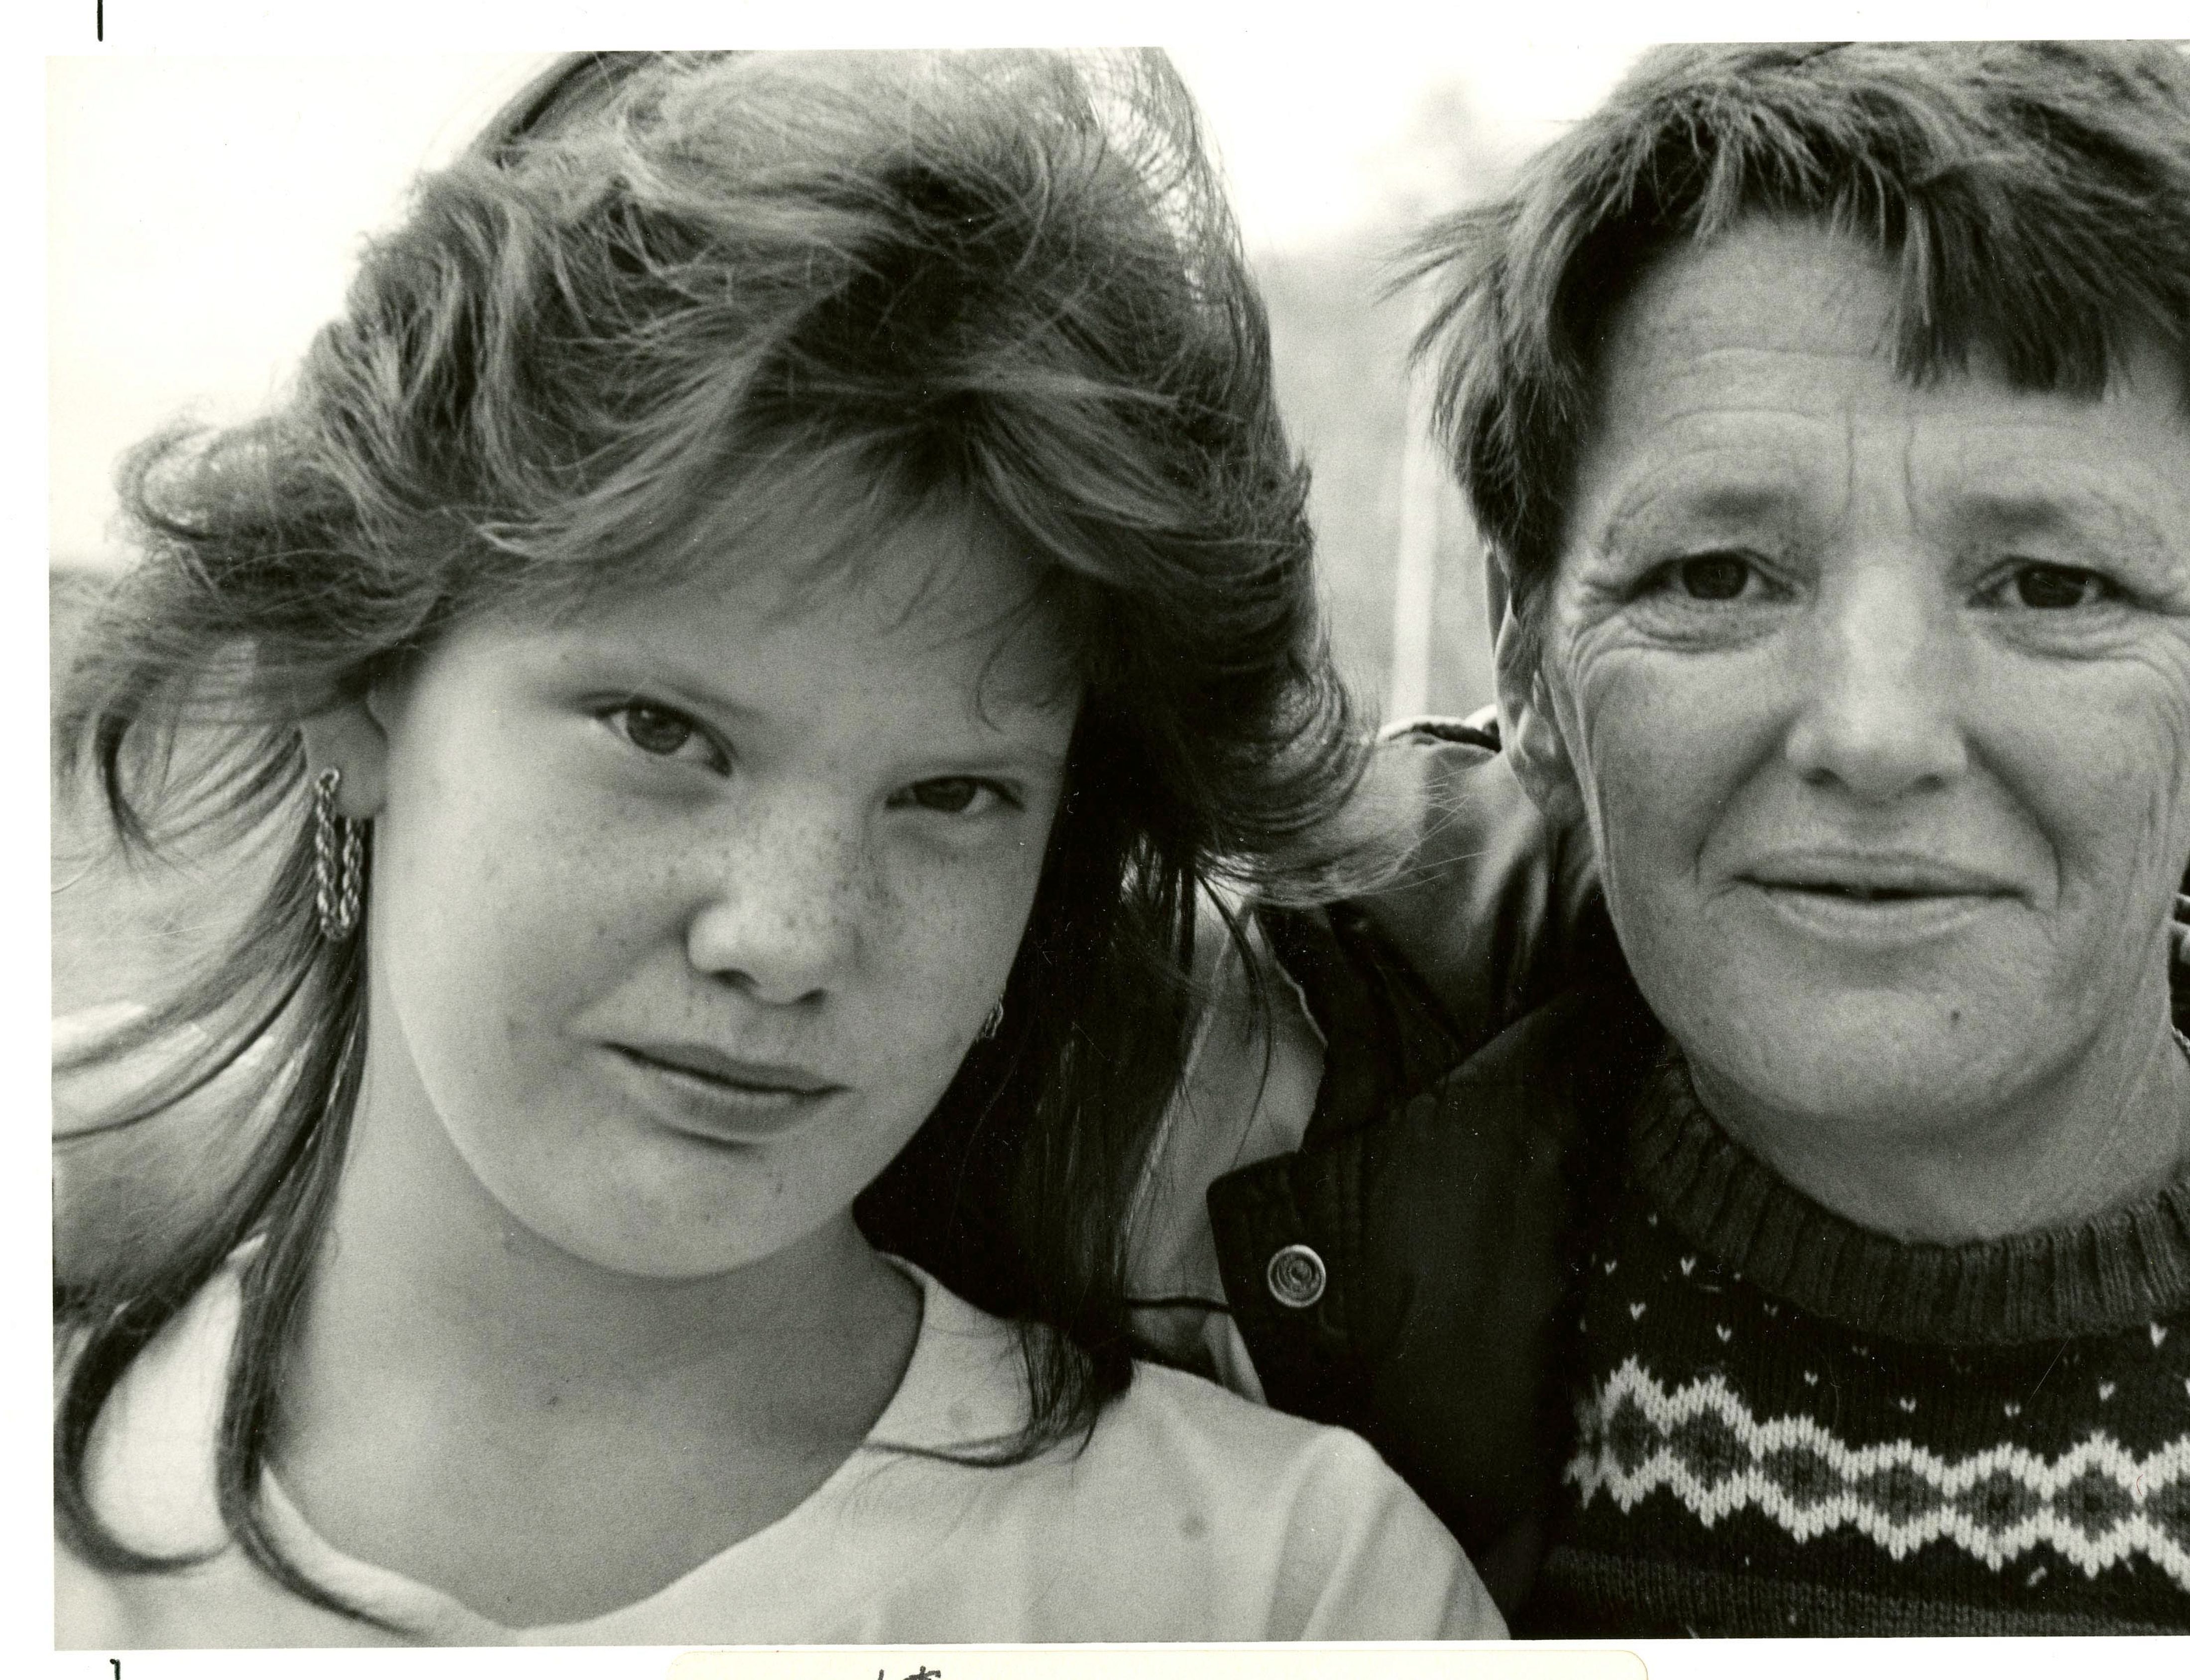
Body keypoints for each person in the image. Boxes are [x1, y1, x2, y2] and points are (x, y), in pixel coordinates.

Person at [51, 50, 1503, 1647]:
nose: (792, 936)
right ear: (347, 683)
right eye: (663, 732)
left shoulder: (1291, 1598)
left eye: (952, 796)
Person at [1130, 42, 2190, 1634]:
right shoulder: (1205, 1208)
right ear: (1533, 675)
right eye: (1716, 577)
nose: (1871, 737)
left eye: (2052, 587)